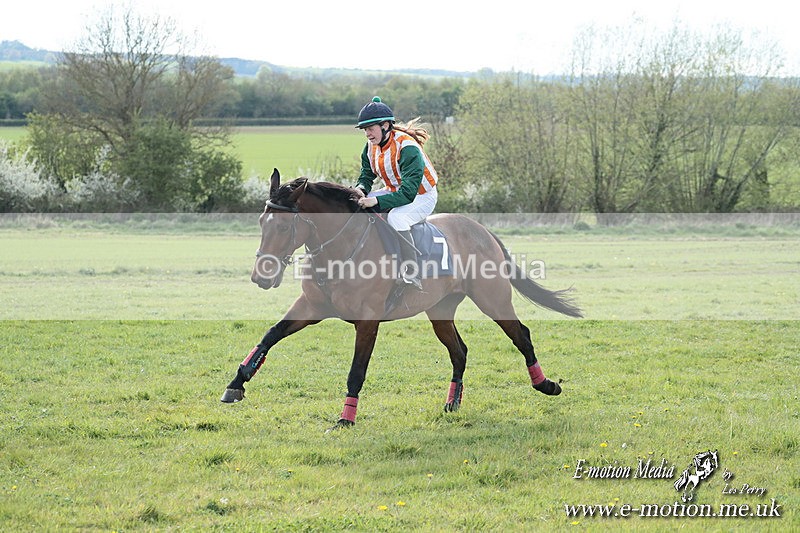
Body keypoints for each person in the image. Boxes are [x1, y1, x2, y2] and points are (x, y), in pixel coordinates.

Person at [353, 96, 439, 290]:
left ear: (385, 126)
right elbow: (366, 175)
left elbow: (408, 194)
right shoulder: (370, 147)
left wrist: (375, 202)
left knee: (397, 219)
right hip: (394, 190)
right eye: (365, 130)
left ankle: (412, 271)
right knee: (356, 204)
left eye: (371, 128)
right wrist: (361, 189)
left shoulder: (407, 148)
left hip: (422, 196)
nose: (367, 134)